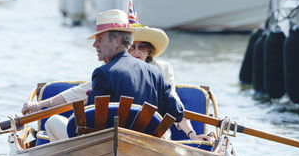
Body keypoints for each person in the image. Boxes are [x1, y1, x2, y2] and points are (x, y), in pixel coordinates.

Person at [22, 10, 209, 142]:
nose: (95, 45)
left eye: (99, 39)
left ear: (117, 40)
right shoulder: (155, 73)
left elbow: (87, 122)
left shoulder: (103, 73)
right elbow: (176, 111)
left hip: (103, 149)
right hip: (147, 147)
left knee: (53, 122)